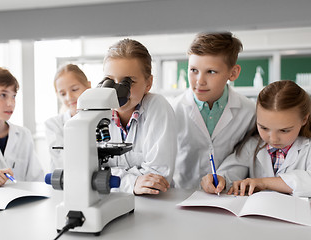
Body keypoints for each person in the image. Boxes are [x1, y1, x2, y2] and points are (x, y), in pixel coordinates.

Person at [172, 32, 256, 190]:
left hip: (226, 196)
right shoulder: (173, 110)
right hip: (181, 195)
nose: (200, 81)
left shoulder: (249, 112)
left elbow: (245, 157)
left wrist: (226, 178)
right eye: (194, 70)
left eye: (211, 72)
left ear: (233, 73)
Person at [201, 80, 311, 197]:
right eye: (264, 128)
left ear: (304, 119)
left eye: (284, 130)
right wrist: (218, 179)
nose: (273, 139)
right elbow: (231, 172)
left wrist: (263, 183)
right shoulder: (252, 146)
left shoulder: (307, 149)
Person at [103, 38, 177, 195]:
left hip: (153, 203)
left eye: (128, 82)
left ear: (148, 83)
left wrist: (109, 178)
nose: (117, 90)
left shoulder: (157, 107)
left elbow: (157, 178)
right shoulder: (95, 112)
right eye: (110, 81)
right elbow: (84, 172)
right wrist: (133, 182)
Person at [44, 64, 91, 170]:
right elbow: (62, 162)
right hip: (64, 182)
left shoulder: (104, 121)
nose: (69, 97)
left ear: (88, 86)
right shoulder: (53, 124)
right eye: (63, 93)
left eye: (74, 89)